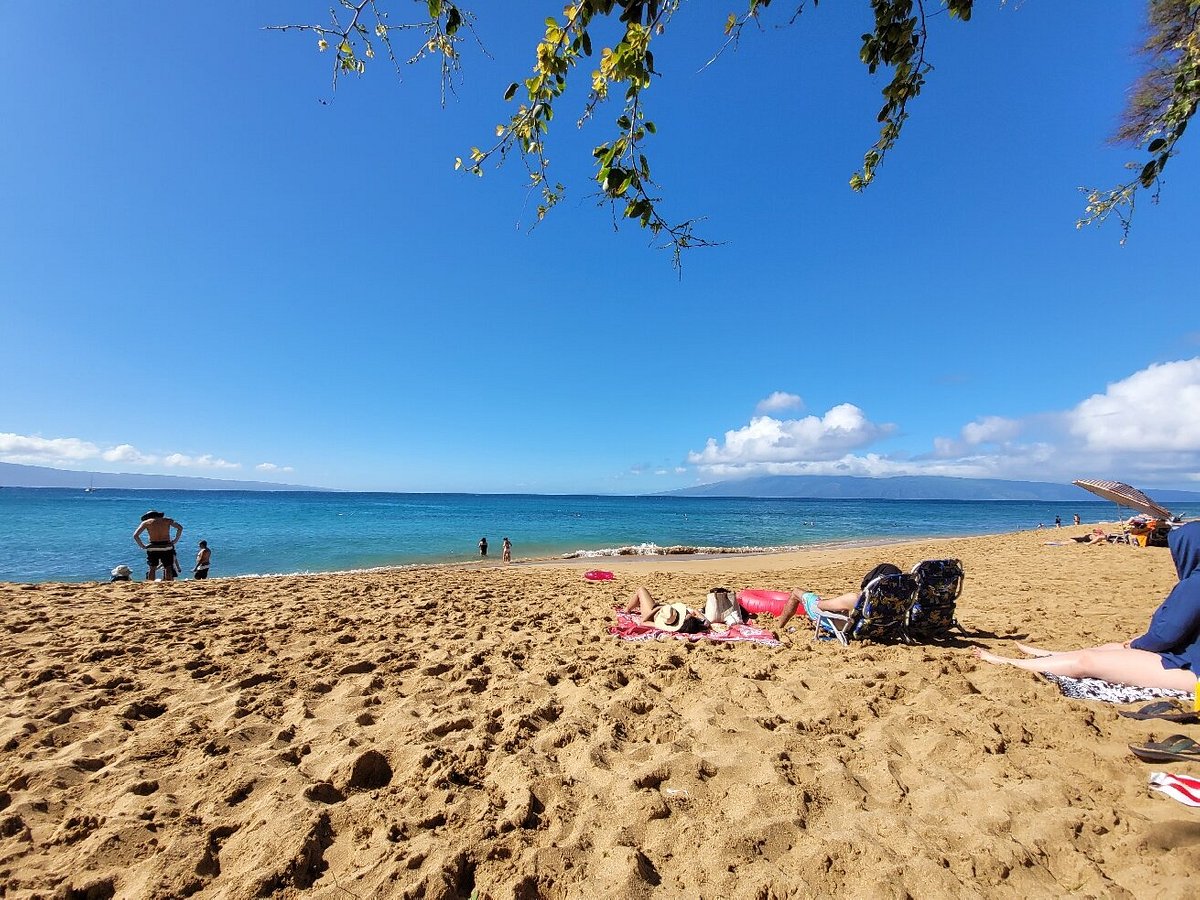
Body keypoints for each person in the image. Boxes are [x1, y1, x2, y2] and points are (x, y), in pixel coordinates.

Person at [973, 522, 1200, 691]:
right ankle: (1051, 655)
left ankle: (1009, 663)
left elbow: (1166, 633)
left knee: (1087, 661)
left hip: (1191, 670)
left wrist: (1138, 644)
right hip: (1188, 655)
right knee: (1116, 647)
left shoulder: (1195, 584)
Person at [776, 563, 903, 630]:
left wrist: (837, 606)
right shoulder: (900, 603)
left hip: (844, 626)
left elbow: (820, 606)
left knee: (796, 592)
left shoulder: (854, 599)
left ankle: (779, 627)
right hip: (877, 629)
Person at [625, 586, 710, 633]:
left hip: (651, 613)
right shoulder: (693, 625)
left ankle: (627, 610)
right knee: (643, 598)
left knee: (641, 590)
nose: (688, 614)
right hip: (661, 613)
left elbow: (643, 622)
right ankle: (636, 604)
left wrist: (658, 608)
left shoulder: (663, 626)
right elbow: (704, 621)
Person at [133, 510, 183, 581]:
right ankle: (168, 583)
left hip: (153, 546)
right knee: (168, 567)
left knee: (152, 568)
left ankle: (151, 583)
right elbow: (180, 528)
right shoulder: (167, 520)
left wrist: (143, 546)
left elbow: (135, 535)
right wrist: (175, 540)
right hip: (166, 546)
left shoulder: (146, 522)